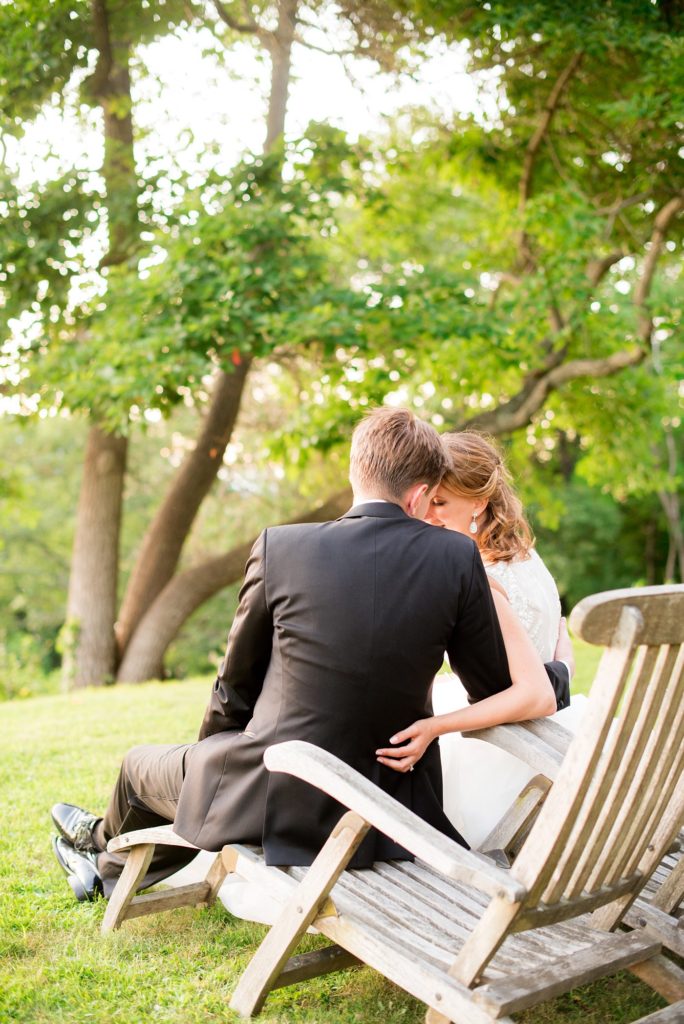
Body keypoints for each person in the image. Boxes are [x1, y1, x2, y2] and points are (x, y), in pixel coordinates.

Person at [51, 408, 565, 904]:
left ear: (355, 470)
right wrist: (557, 675)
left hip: (284, 792)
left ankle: (99, 849)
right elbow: (495, 687)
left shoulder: (281, 547)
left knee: (139, 767)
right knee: (195, 775)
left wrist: (213, 755)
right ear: (420, 492)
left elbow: (235, 686)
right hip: (394, 804)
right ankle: (100, 862)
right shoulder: (456, 558)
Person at [403, 430, 579, 849]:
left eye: (441, 503)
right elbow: (560, 635)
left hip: (508, 751)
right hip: (552, 728)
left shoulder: (483, 579)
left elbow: (532, 693)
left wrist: (435, 726)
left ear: (479, 502)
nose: (429, 515)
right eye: (427, 500)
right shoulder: (524, 556)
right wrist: (565, 671)